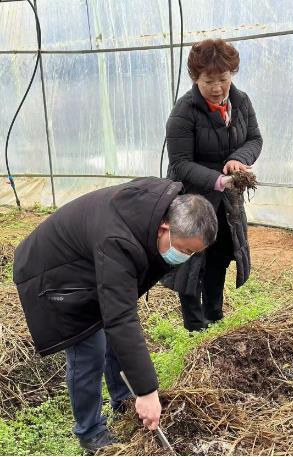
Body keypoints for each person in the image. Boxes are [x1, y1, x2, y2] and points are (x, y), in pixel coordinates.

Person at [13, 177, 218, 452]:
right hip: (54, 273)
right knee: (89, 350)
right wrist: (147, 392)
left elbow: (120, 314)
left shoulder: (157, 209)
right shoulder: (118, 240)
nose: (186, 258)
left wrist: (141, 389)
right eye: (185, 250)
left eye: (194, 253)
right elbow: (121, 318)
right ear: (164, 228)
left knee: (113, 337)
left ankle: (122, 399)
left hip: (90, 260)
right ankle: (91, 432)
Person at [163, 39, 263, 331]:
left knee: (219, 253)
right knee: (193, 258)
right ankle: (194, 326)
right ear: (196, 78)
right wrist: (216, 179)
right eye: (209, 80)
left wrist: (236, 160)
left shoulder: (241, 101)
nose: (217, 87)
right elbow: (180, 163)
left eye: (223, 78)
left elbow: (254, 139)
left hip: (227, 197)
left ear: (232, 73)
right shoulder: (184, 112)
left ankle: (214, 316)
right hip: (192, 197)